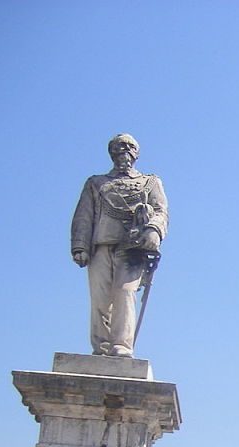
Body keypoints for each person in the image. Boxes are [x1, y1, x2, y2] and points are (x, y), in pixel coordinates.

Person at [71, 134, 168, 357]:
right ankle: (102, 346)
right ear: (111, 152)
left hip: (133, 246)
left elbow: (162, 211)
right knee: (100, 297)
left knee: (125, 293)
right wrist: (80, 246)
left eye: (130, 146)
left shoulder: (150, 182)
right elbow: (84, 216)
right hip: (101, 244)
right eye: (119, 146)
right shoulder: (96, 183)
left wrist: (153, 230)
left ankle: (122, 345)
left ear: (137, 153)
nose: (124, 149)